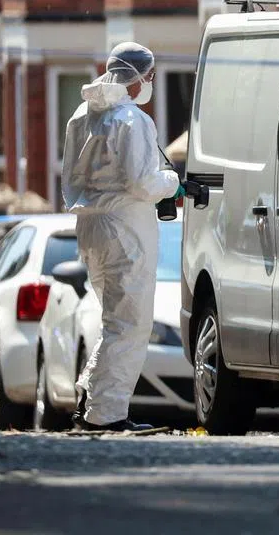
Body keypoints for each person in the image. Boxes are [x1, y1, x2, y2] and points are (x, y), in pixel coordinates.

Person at [61, 42, 183, 432]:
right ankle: (107, 414)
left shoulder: (83, 115)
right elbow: (144, 182)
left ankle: (92, 401)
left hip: (92, 227)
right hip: (125, 228)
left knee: (114, 320)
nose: (149, 84)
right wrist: (174, 182)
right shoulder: (132, 120)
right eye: (148, 77)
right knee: (130, 324)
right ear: (136, 78)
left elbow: (72, 177)